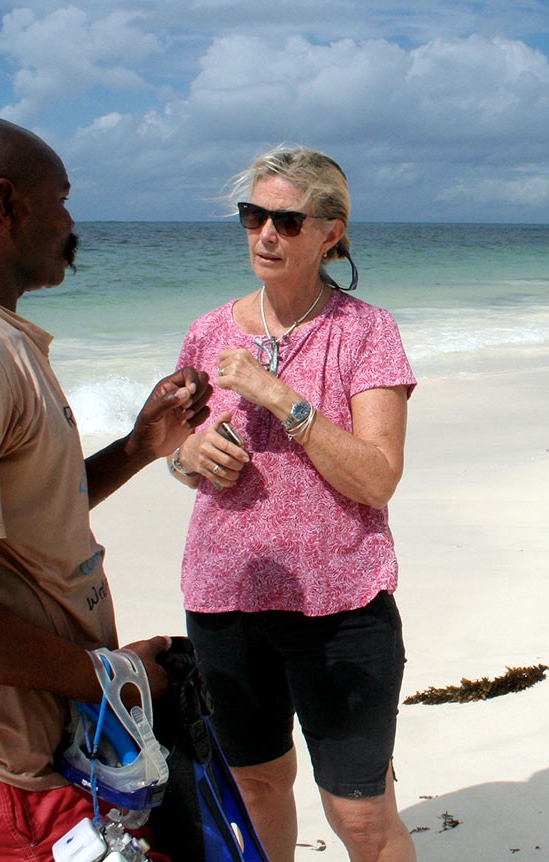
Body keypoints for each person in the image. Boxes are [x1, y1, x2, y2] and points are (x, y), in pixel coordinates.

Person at [0, 113, 212, 860]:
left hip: (22, 731)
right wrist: (108, 677)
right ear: (6, 204)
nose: (70, 223)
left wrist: (138, 448)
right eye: (60, 199)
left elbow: (16, 514)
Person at [167, 147, 417, 862]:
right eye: (254, 216)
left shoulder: (366, 332)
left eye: (287, 220)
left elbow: (377, 479)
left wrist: (278, 395)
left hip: (341, 603)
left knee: (360, 814)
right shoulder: (208, 330)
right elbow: (173, 450)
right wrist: (188, 459)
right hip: (225, 598)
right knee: (255, 787)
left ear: (330, 233)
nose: (266, 234)